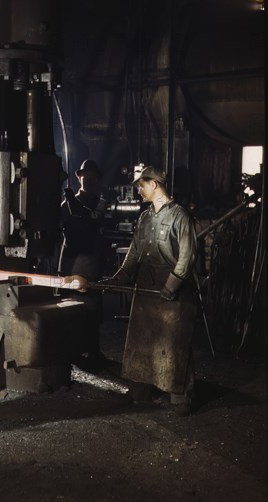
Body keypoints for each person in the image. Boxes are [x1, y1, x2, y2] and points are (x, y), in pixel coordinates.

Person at [101, 165, 198, 415]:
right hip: (145, 290)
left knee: (174, 345)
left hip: (171, 294)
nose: (139, 191)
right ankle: (140, 391)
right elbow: (133, 255)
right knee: (142, 341)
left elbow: (187, 258)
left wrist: (171, 285)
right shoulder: (144, 218)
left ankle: (180, 398)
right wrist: (118, 279)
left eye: (141, 186)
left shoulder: (181, 217)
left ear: (154, 184)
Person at [59, 159, 109, 370]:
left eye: (92, 176)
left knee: (92, 304)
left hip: (90, 258)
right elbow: (65, 224)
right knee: (71, 305)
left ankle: (94, 350)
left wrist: (74, 204)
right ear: (79, 177)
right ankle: (72, 350)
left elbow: (91, 219)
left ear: (97, 179)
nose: (88, 179)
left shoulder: (100, 203)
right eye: (84, 175)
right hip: (71, 257)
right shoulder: (66, 204)